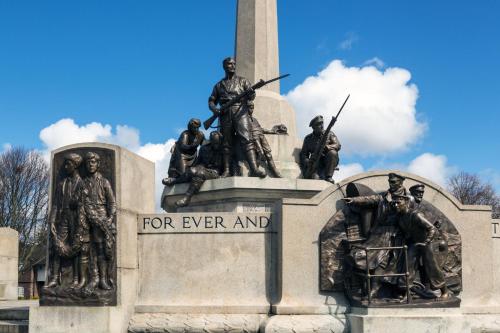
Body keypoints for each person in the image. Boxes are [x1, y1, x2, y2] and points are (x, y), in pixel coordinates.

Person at [343, 173, 408, 297]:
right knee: (360, 255)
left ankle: (374, 289)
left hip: (394, 235)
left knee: (380, 260)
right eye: (390, 181)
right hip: (378, 233)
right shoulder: (384, 196)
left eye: (394, 182)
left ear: (401, 182)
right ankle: (365, 287)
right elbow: (370, 199)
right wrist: (354, 200)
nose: (391, 184)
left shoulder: (407, 198)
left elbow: (407, 214)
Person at [208, 57, 266, 178]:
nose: (233, 66)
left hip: (241, 111)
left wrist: (251, 93)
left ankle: (254, 168)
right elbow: (212, 100)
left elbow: (251, 97)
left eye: (234, 64)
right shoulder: (219, 85)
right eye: (230, 64)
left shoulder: (243, 81)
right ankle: (227, 170)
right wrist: (215, 109)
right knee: (226, 142)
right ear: (224, 66)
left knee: (246, 138)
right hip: (225, 113)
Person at [393, 194, 451, 299]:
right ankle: (407, 292)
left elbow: (432, 228)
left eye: (398, 202)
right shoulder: (400, 218)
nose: (396, 205)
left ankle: (444, 290)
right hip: (414, 244)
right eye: (394, 203)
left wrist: (427, 241)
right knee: (407, 266)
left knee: (432, 268)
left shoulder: (416, 215)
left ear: (405, 202)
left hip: (425, 243)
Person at [45, 153, 83, 289]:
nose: (66, 166)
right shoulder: (62, 183)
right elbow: (55, 204)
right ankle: (54, 278)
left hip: (76, 219)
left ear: (75, 165)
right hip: (63, 218)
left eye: (68, 164)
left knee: (77, 248)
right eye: (65, 164)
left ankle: (77, 279)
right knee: (57, 246)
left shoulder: (81, 183)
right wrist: (51, 221)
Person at [80, 152, 116, 292]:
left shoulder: (104, 182)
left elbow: (112, 203)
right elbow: (82, 201)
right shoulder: (83, 182)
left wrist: (110, 218)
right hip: (85, 218)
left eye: (93, 162)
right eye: (88, 162)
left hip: (101, 218)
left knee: (101, 250)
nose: (90, 165)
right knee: (86, 250)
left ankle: (102, 280)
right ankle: (91, 279)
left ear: (98, 164)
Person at [165, 131, 224, 207]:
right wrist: (198, 167)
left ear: (220, 141)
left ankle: (185, 196)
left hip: (215, 172)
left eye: (217, 142)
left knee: (199, 174)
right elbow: (198, 162)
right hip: (203, 169)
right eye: (213, 141)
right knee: (193, 171)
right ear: (210, 140)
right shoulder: (204, 149)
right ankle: (182, 191)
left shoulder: (224, 150)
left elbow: (227, 167)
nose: (215, 144)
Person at [300, 115, 341, 183]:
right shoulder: (308, 139)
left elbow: (338, 145)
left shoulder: (329, 134)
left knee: (332, 153)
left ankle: (329, 177)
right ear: (313, 127)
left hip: (327, 160)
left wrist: (327, 147)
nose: (322, 126)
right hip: (316, 163)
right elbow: (303, 154)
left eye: (322, 123)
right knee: (315, 180)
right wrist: (308, 161)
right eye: (318, 124)